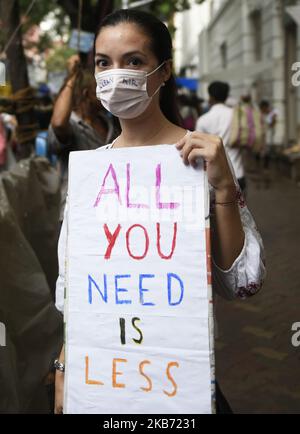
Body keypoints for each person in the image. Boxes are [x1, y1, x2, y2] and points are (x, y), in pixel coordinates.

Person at [54, 9, 266, 414]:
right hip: (103, 385)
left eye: (133, 61)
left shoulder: (200, 158)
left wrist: (224, 187)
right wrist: (65, 366)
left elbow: (242, 283)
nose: (116, 76)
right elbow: (78, 290)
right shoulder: (91, 173)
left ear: (164, 71)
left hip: (178, 388)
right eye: (104, 63)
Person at [48, 56, 117, 221]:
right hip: (77, 215)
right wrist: (73, 76)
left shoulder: (110, 124)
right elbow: (58, 123)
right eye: (99, 88)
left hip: (110, 211)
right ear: (87, 93)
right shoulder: (72, 125)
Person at [196, 81, 246, 193]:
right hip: (238, 172)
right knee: (239, 210)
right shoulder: (237, 115)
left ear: (210, 97)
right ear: (226, 96)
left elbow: (199, 151)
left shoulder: (203, 120)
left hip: (215, 177)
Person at [259, 100, 278, 169]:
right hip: (263, 136)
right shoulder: (261, 115)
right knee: (263, 152)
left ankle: (266, 167)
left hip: (269, 136)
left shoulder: (271, 114)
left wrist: (273, 119)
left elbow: (272, 124)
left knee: (267, 152)